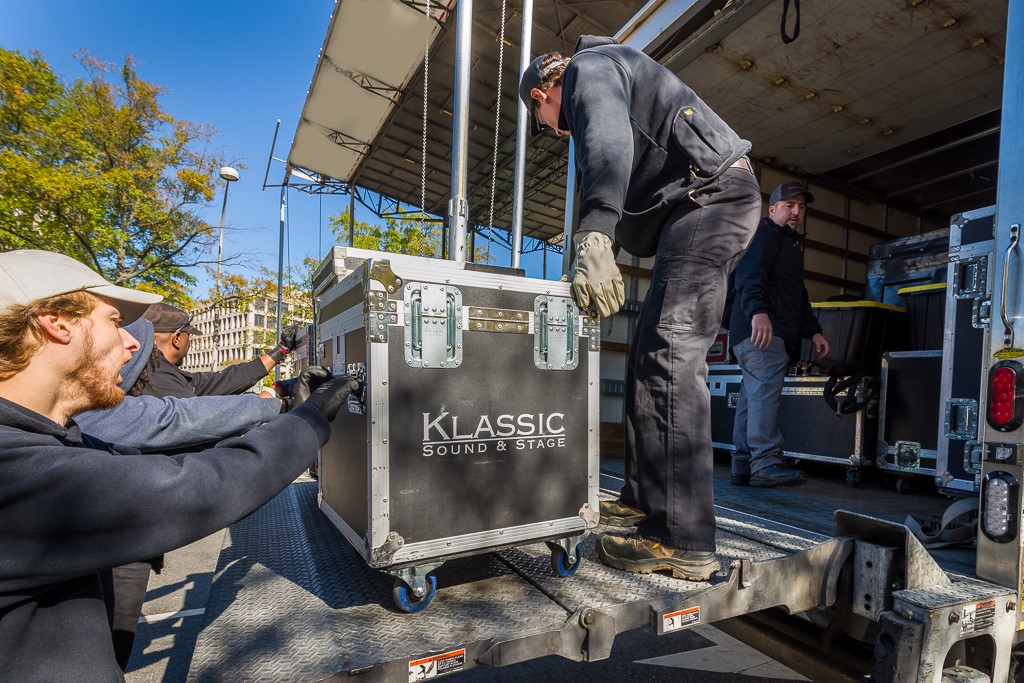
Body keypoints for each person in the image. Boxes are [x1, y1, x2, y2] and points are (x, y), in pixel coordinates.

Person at [0, 249, 357, 680]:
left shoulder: (49, 438)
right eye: (114, 321)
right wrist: (307, 420)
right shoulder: (18, 471)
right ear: (56, 323)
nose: (131, 344)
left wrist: (279, 396)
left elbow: (168, 441)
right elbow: (190, 488)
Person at [520, 36, 761, 581]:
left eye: (548, 123)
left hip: (713, 201)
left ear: (543, 95)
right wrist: (597, 254)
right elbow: (629, 177)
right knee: (646, 357)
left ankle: (682, 539)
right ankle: (641, 499)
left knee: (670, 357)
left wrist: (596, 236)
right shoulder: (609, 75)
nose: (559, 133)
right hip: (695, 208)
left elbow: (606, 140)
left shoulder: (589, 68)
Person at [74, 314, 329, 669]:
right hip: (119, 541)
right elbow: (183, 420)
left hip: (117, 536)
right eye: (115, 326)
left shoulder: (163, 373)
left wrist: (278, 359)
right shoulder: (149, 377)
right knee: (106, 644)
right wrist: (290, 414)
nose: (127, 344)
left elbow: (212, 384)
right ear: (177, 338)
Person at [727, 181, 829, 487]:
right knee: (764, 395)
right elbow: (748, 274)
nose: (796, 212)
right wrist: (759, 312)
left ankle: (743, 463)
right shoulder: (765, 234)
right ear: (773, 209)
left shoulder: (788, 243)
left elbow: (796, 294)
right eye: (789, 205)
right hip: (762, 332)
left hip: (761, 332)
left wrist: (814, 331)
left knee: (752, 396)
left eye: (801, 207)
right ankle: (766, 462)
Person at [141, 302, 306, 399]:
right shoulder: (157, 380)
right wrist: (282, 403)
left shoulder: (157, 370)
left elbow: (222, 381)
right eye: (188, 335)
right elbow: (206, 418)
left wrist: (280, 351)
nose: (189, 341)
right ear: (177, 338)